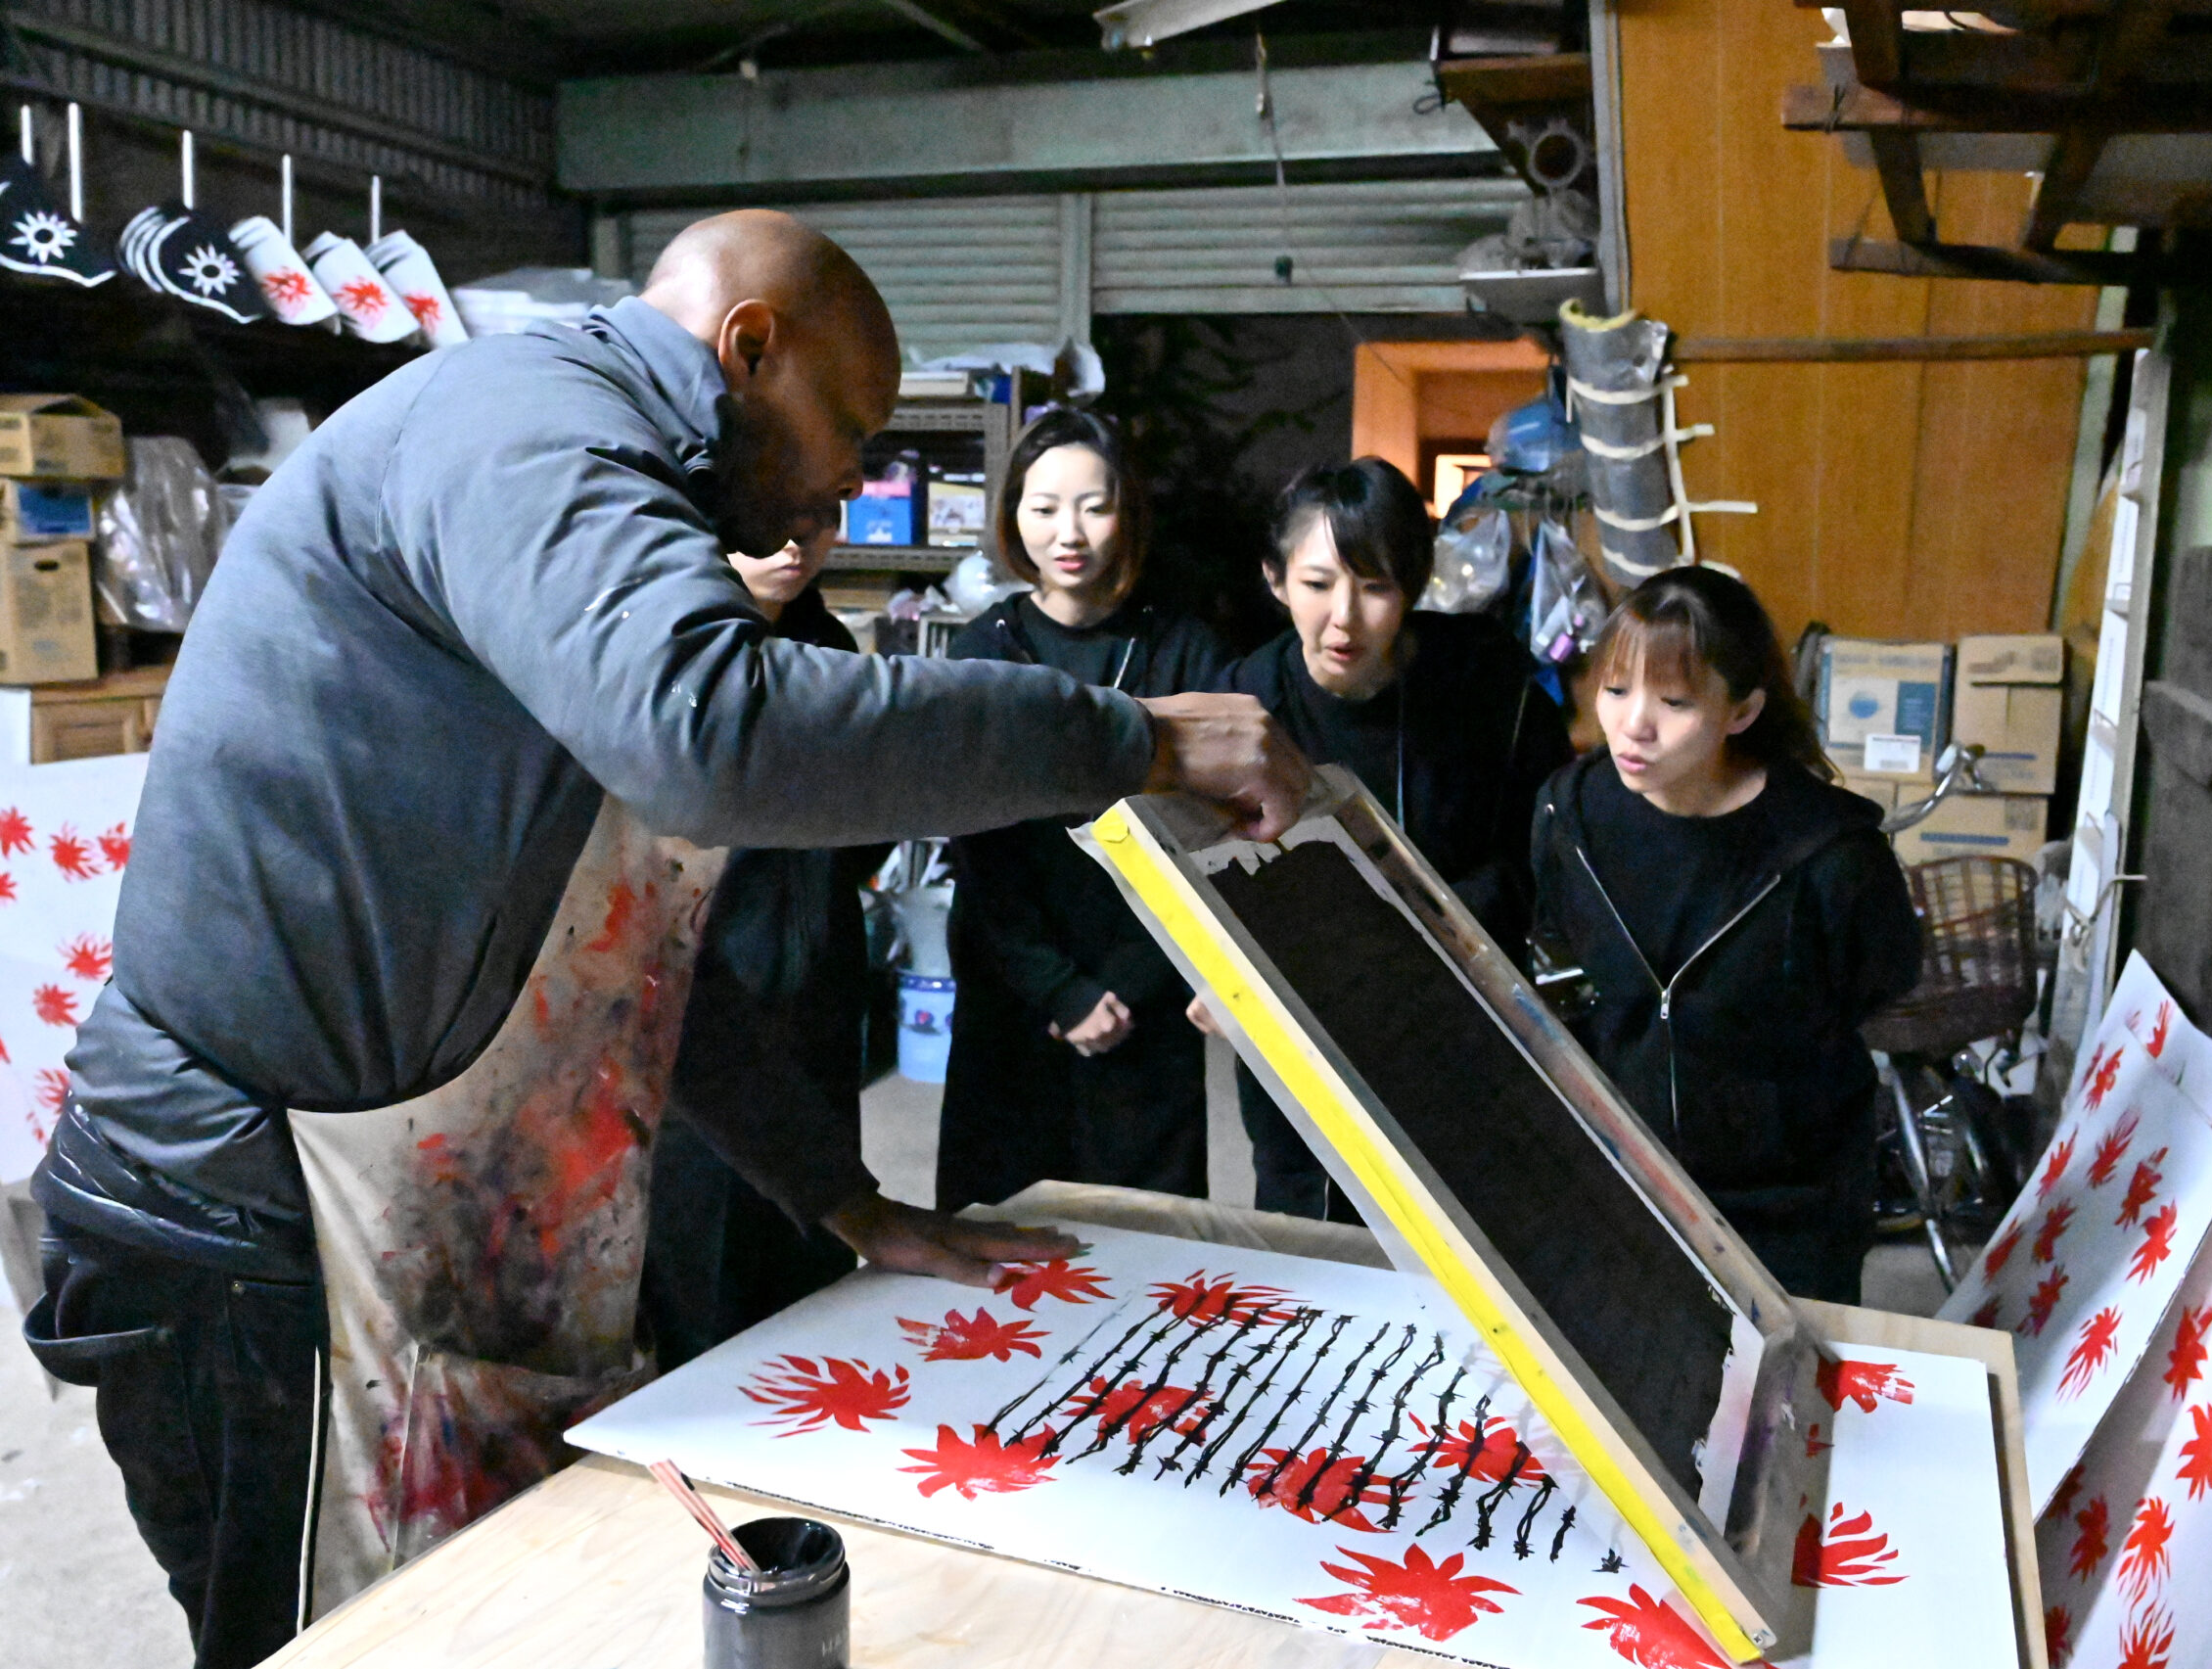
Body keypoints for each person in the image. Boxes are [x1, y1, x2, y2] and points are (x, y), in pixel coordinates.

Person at [23, 209, 1305, 1669]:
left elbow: (618, 967)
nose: (852, 479)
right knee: (342, 1640)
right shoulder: (530, 431)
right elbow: (714, 737)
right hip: (250, 1222)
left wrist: (840, 1197)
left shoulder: (598, 512)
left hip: (391, 1221)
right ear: (749, 349)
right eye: (849, 428)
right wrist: (1130, 740)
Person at [1529, 567, 1920, 1303]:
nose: (1633, 725)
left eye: (1674, 701)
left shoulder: (1831, 856)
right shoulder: (1569, 815)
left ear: (1741, 711)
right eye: (1616, 690)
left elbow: (1881, 982)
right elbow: (1567, 961)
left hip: (1792, 1208)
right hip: (1631, 1188)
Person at [1213, 458, 1571, 1222]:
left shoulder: (1491, 689)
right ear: (1276, 579)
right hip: (1300, 1033)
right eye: (1317, 584)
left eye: (1374, 587)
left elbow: (1541, 862)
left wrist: (1415, 924)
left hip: (1458, 1023)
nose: (1343, 617)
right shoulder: (1243, 704)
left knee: (1464, 1233)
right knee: (1309, 1230)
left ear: (1412, 583)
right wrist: (1216, 971)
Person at [937, 408, 1230, 1210]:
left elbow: (1209, 833)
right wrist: (1057, 987)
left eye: (1093, 507)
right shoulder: (980, 653)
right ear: (1013, 516)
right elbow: (978, 853)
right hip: (1014, 986)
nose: (1068, 533)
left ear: (1127, 512)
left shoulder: (1184, 650)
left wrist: (1134, 981)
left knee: (1152, 1236)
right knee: (1002, 1232)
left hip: (1148, 994)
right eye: (1044, 508)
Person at [639, 535, 886, 1370]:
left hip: (818, 989)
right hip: (702, 1007)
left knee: (815, 1270)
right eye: (770, 517)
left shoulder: (830, 650)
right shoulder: (667, 654)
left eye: (820, 513)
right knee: (703, 1293)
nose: (793, 540)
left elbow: (867, 824)